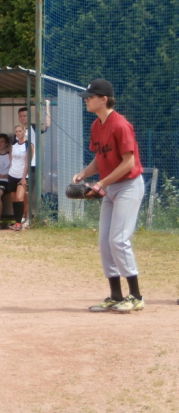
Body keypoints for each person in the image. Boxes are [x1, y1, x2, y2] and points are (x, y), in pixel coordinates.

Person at [73, 79, 145, 313]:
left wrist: (101, 183)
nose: (86, 100)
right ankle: (115, 295)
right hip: (111, 188)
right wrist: (84, 173)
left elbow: (129, 163)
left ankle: (136, 296)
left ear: (103, 99)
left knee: (119, 240)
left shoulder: (120, 125)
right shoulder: (97, 125)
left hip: (128, 186)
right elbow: (100, 157)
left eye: (90, 97)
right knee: (105, 242)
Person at [18, 100, 51, 226]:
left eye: (25, 115)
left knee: (27, 193)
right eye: (20, 116)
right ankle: (22, 217)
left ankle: (28, 218)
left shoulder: (34, 127)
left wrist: (47, 106)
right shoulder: (18, 131)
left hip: (32, 166)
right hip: (20, 167)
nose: (22, 118)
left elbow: (46, 125)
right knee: (20, 193)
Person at [8, 124, 32, 231]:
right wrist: (11, 168)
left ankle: (19, 223)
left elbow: (27, 163)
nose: (18, 133)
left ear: (24, 132)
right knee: (14, 199)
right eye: (16, 132)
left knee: (19, 198)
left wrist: (23, 178)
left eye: (20, 131)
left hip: (22, 175)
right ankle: (17, 221)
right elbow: (11, 157)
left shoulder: (28, 145)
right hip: (12, 174)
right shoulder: (13, 144)